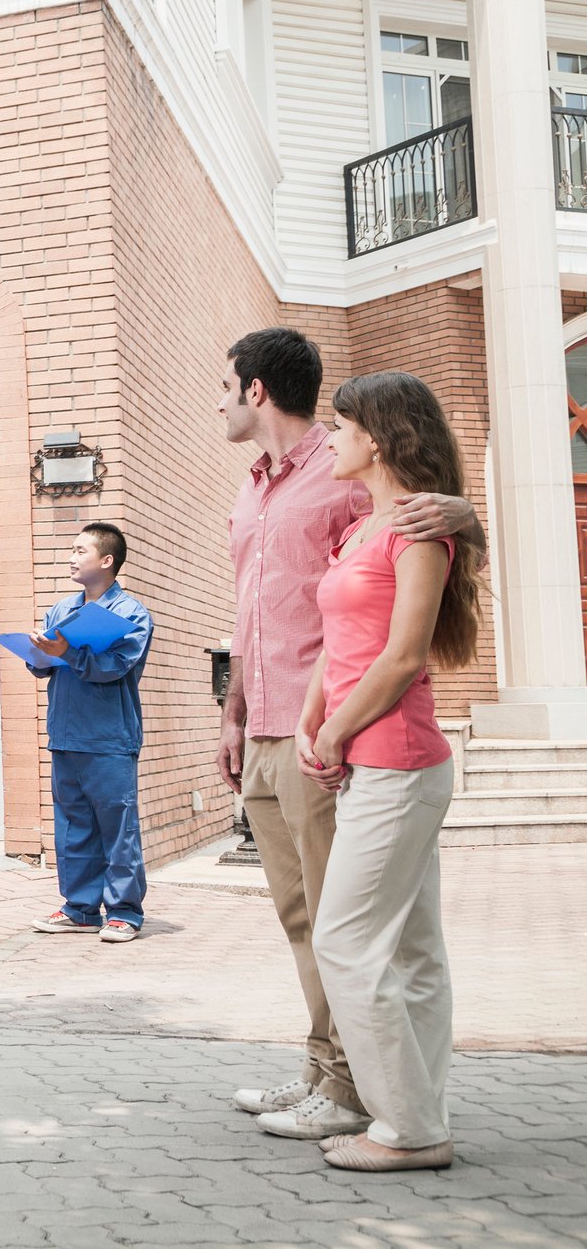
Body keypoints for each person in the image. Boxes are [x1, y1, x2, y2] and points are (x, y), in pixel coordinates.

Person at [215, 327, 482, 1143]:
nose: (218, 400)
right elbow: (252, 610)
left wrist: (468, 516)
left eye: (224, 385)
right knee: (303, 920)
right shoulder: (252, 491)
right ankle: (321, 1070)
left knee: (346, 928)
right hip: (267, 726)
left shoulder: (341, 476)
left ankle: (353, 1090)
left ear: (256, 388)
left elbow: (408, 560)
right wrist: (232, 711)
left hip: (338, 733)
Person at [296, 371, 480, 1173]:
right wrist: (313, 713)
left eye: (337, 428)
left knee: (343, 940)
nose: (328, 441)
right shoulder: (358, 530)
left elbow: (404, 656)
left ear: (373, 436)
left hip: (398, 760)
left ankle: (405, 1129)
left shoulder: (418, 530)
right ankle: (419, 1116)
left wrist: (335, 730)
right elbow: (342, 639)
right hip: (368, 757)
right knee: (409, 951)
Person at [23, 524, 154, 943]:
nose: (71, 557)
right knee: (73, 826)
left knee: (117, 828)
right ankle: (80, 908)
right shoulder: (61, 611)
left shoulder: (132, 614)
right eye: (71, 550)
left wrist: (69, 653)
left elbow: (116, 667)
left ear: (106, 560)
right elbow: (41, 667)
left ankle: (124, 912)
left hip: (109, 738)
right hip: (65, 735)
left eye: (80, 550)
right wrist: (39, 653)